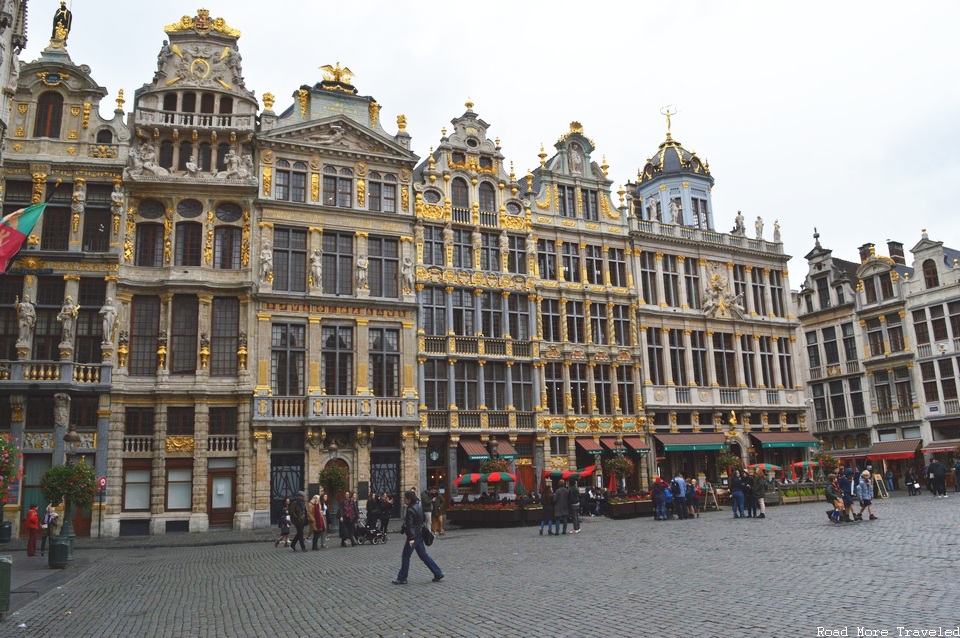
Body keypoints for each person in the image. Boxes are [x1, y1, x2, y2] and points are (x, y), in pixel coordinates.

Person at [392, 491, 443, 585]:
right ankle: (438, 572)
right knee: (424, 556)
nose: (404, 500)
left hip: (414, 536)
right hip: (419, 535)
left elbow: (410, 525)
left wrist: (411, 538)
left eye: (405, 498)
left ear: (409, 499)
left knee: (406, 556)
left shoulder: (410, 509)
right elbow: (423, 518)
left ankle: (402, 577)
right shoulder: (418, 506)